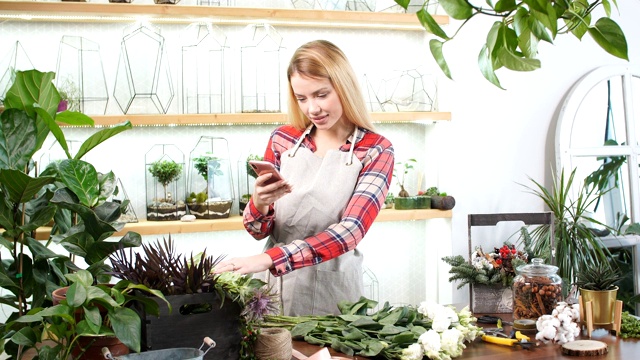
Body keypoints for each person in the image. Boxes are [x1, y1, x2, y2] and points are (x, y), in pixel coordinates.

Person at [215, 40, 394, 316]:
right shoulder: (283, 139)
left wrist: (267, 259)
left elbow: (350, 232)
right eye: (302, 98)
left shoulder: (374, 149)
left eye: (321, 94)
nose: (312, 108)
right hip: (273, 288)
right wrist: (259, 202)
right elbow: (257, 230)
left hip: (334, 293)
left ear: (344, 86)